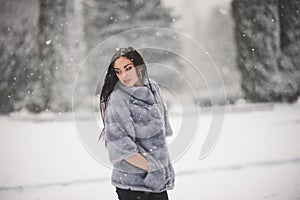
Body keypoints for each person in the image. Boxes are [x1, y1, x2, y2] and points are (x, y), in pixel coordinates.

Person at [99, 47, 175, 200]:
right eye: (118, 71)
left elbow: (161, 133)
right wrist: (154, 169)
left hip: (157, 184)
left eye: (128, 68)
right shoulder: (118, 99)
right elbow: (121, 148)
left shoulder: (152, 88)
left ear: (139, 66)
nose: (124, 75)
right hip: (132, 186)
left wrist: (159, 170)